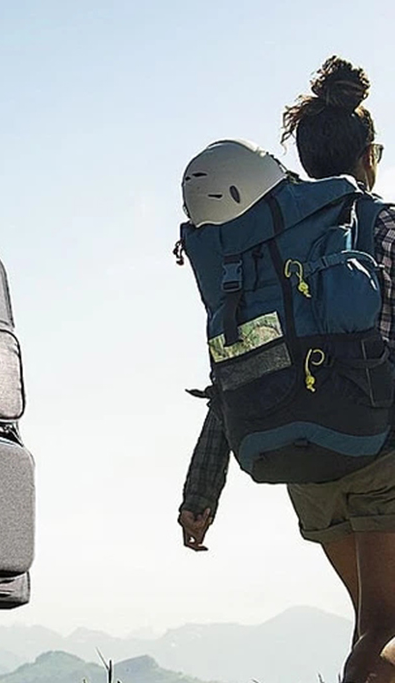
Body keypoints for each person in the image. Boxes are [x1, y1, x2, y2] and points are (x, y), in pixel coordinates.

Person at [178, 56, 395, 683]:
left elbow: (232, 373)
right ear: (369, 156)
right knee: (387, 627)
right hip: (379, 450)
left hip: (303, 460)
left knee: (371, 625)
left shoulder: (262, 251)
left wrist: (200, 493)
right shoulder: (379, 223)